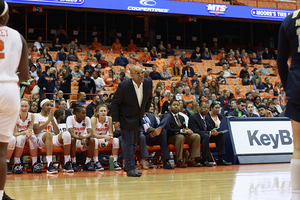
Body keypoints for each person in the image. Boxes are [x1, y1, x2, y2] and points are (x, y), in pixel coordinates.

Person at [111, 66, 152, 177]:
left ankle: (127, 165)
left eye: (142, 72)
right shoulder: (124, 86)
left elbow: (150, 97)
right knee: (128, 143)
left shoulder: (148, 83)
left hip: (138, 118)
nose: (140, 75)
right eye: (137, 73)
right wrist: (116, 120)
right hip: (126, 118)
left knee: (134, 143)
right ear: (131, 75)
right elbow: (115, 103)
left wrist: (145, 111)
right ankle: (130, 168)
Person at [33, 99, 73, 174]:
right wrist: (48, 121)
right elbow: (36, 130)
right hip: (41, 139)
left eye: (50, 105)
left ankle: (67, 163)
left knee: (67, 134)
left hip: (51, 138)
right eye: (47, 105)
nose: (49, 107)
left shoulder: (53, 117)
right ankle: (49, 164)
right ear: (42, 106)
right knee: (49, 134)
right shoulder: (36, 116)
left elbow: (57, 132)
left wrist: (52, 120)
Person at [161, 99, 201, 168]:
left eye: (177, 105)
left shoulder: (181, 117)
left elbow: (184, 128)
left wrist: (188, 131)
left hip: (182, 136)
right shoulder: (166, 116)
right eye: (174, 105)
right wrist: (182, 130)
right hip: (171, 137)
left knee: (196, 136)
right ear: (170, 106)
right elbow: (168, 130)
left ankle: (191, 159)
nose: (176, 106)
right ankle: (179, 160)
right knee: (180, 137)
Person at [189, 102, 231, 166]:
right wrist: (209, 132)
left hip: (207, 136)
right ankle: (205, 159)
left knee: (220, 135)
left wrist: (213, 130)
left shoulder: (207, 117)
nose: (206, 109)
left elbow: (210, 127)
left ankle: (220, 159)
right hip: (198, 138)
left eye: (207, 108)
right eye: (204, 108)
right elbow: (195, 131)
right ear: (199, 108)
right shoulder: (193, 117)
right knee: (206, 136)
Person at [7, 99, 42, 175]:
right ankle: (16, 164)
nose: (23, 108)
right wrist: (24, 133)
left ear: (29, 107)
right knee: (20, 138)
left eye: (25, 106)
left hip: (26, 137)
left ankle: (34, 164)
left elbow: (30, 130)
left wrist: (28, 134)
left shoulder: (32, 116)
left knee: (33, 138)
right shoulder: (15, 116)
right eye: (22, 106)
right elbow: (15, 133)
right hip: (16, 137)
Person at [141, 104, 174, 169]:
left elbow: (157, 129)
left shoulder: (152, 117)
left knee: (163, 129)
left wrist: (154, 130)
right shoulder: (136, 118)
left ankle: (166, 161)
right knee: (162, 131)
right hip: (145, 137)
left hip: (155, 135)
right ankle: (166, 161)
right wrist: (147, 131)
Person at [91, 104, 122, 171]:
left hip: (104, 139)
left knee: (116, 140)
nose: (103, 112)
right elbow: (92, 135)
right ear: (97, 112)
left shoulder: (109, 118)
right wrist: (104, 137)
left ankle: (114, 161)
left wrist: (109, 137)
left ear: (107, 112)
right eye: (101, 111)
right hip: (96, 139)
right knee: (95, 141)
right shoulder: (94, 119)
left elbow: (111, 132)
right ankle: (96, 162)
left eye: (105, 111)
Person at [66, 105, 95, 172]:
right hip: (70, 141)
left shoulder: (87, 119)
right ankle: (73, 162)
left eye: (85, 113)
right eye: (83, 113)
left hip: (80, 139)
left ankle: (87, 162)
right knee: (73, 139)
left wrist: (84, 138)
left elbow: (90, 133)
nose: (85, 115)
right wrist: (82, 139)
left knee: (92, 139)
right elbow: (72, 134)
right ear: (77, 113)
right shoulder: (70, 118)